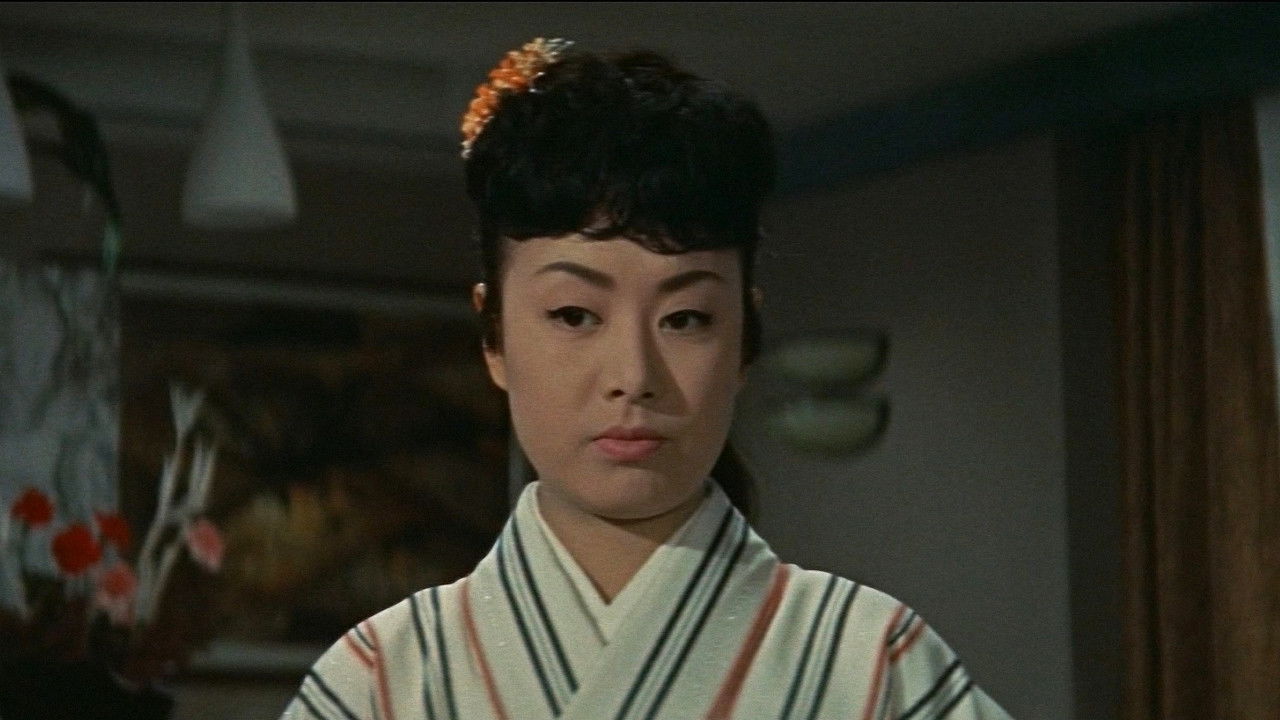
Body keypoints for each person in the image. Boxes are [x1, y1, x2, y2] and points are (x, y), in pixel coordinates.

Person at [280, 39, 1014, 720]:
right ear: (494, 337)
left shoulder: (869, 663)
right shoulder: (384, 680)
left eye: (686, 319)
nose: (634, 377)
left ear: (745, 339)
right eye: (574, 315)